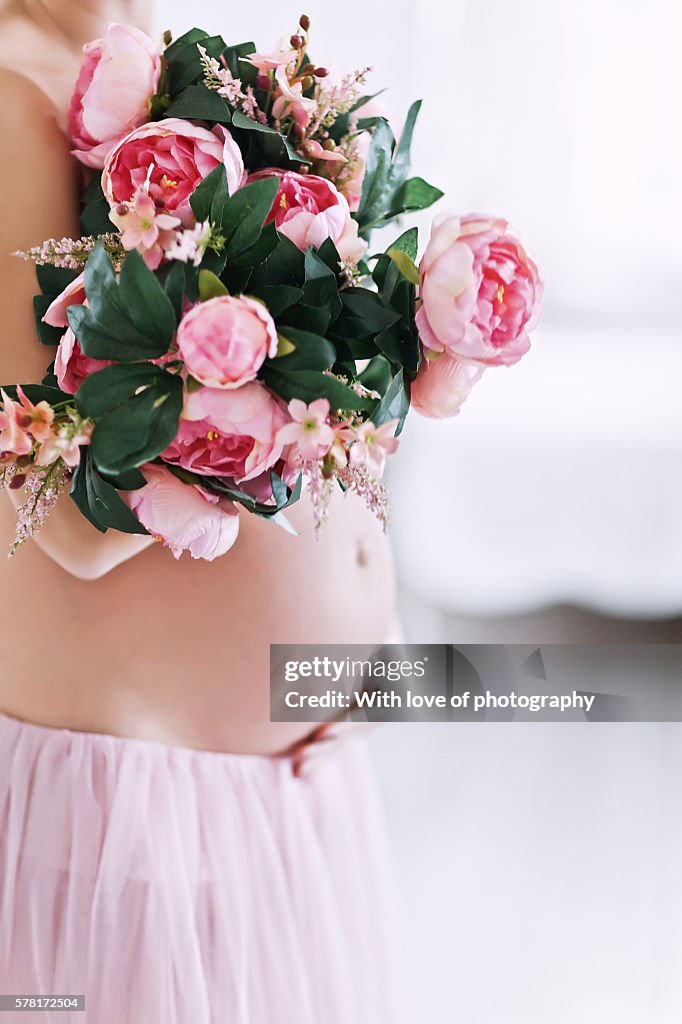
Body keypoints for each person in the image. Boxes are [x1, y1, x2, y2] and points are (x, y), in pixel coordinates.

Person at [0, 2, 410, 1020]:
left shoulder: (153, 65)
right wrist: (255, 395)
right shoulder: (15, 94)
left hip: (270, 793)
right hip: (139, 813)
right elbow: (60, 512)